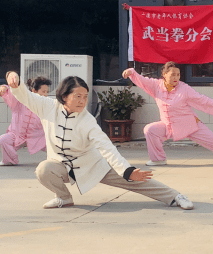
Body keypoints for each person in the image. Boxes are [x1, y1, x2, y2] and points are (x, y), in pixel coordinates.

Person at [6, 72, 194, 210]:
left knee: (135, 180)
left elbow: (106, 147)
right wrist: (13, 79)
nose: (82, 101)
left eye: (85, 97)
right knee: (43, 169)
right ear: (64, 96)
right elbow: (25, 96)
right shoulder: (47, 106)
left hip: (93, 165)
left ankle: (175, 196)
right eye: (77, 96)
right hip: (62, 166)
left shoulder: (87, 120)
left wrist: (127, 170)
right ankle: (64, 198)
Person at [122, 61, 213, 166]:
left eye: (178, 74)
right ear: (164, 75)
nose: (176, 77)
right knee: (150, 130)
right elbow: (142, 80)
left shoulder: (184, 88)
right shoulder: (156, 86)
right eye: (173, 74)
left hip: (190, 125)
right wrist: (131, 72)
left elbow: (202, 99)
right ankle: (158, 160)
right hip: (168, 125)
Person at [0, 73, 50, 166]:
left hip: (39, 137)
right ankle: (10, 160)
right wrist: (4, 87)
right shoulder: (19, 101)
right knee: (3, 140)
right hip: (17, 135)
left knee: (55, 144)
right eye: (43, 92)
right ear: (34, 90)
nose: (45, 95)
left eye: (47, 92)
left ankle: (58, 161)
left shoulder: (46, 104)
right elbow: (13, 91)